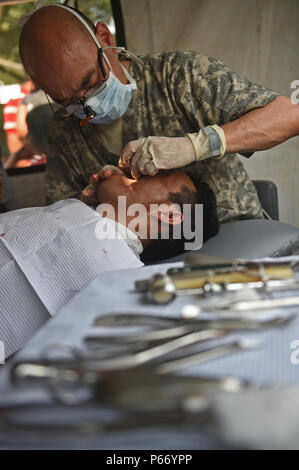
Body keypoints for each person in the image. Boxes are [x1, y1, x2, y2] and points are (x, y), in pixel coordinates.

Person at [19, 4, 299, 222]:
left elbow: (288, 115)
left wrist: (197, 145)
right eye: (66, 100)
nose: (87, 106)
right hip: (143, 261)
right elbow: (62, 218)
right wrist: (94, 199)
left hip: (234, 233)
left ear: (104, 38)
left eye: (91, 83)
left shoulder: (178, 76)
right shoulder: (64, 131)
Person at [0, 168, 218, 357]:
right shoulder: (75, 211)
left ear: (170, 214)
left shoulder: (119, 279)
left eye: (163, 175)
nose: (143, 171)